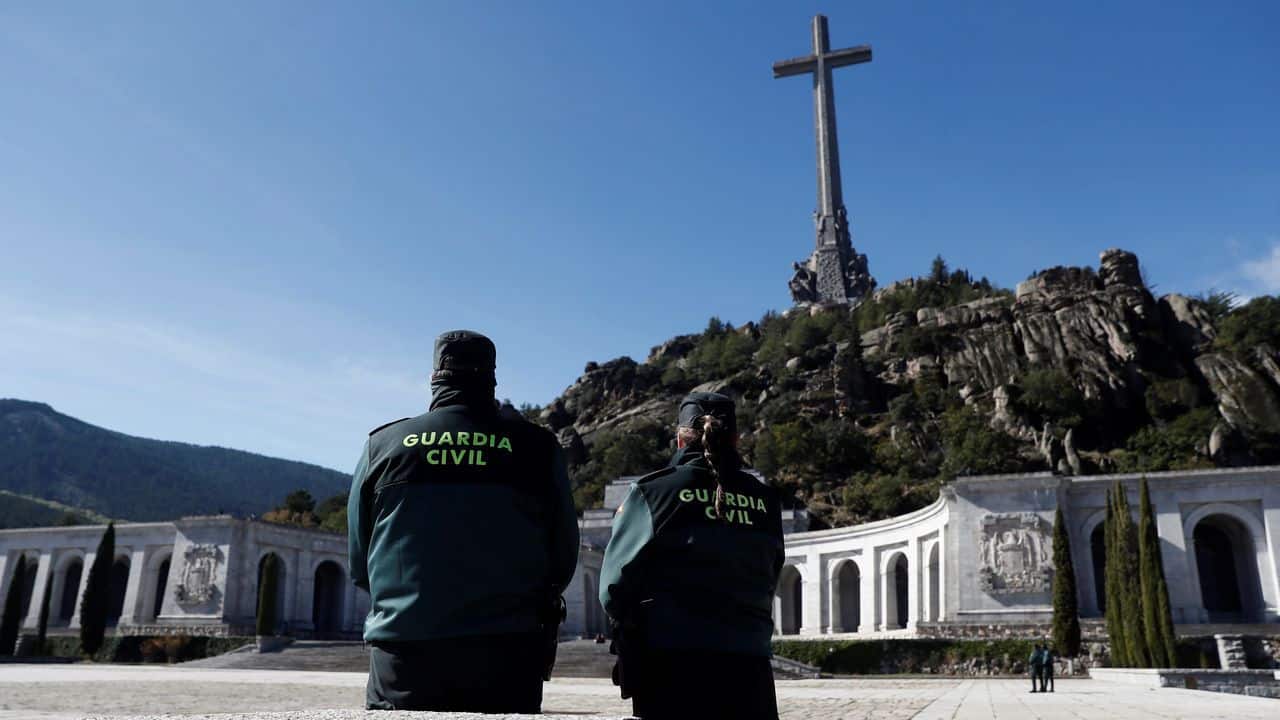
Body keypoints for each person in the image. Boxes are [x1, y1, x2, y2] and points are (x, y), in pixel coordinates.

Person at [348, 330, 580, 712]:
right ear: (491, 378)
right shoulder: (537, 447)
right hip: (509, 652)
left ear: (435, 377)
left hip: (405, 654)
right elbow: (563, 555)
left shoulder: (383, 445)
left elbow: (360, 561)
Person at [600, 391, 785, 720]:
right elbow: (772, 574)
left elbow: (612, 589)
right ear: (735, 439)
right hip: (749, 664)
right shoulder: (765, 499)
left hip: (670, 663)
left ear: (680, 439)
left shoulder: (652, 493)